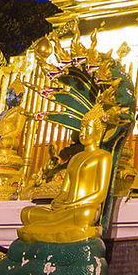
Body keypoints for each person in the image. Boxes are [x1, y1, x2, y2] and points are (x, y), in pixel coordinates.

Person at [19, 104, 111, 244]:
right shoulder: (75, 158)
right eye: (81, 129)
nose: (83, 132)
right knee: (27, 213)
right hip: (65, 209)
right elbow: (64, 189)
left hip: (81, 208)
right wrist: (59, 200)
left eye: (87, 129)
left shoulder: (103, 157)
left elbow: (100, 193)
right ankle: (50, 223)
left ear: (98, 132)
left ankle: (46, 225)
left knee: (86, 214)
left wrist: (75, 204)